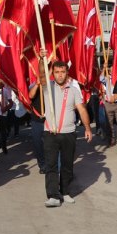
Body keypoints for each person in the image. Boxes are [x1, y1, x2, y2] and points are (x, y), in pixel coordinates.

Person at [43, 61, 93, 207]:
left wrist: (88, 128)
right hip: (50, 133)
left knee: (67, 165)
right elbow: (41, 75)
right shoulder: (47, 88)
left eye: (63, 72)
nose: (60, 75)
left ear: (67, 73)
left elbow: (82, 110)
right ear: (53, 73)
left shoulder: (73, 90)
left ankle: (65, 192)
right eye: (57, 72)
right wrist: (42, 59)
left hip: (69, 133)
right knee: (51, 165)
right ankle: (53, 195)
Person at [28, 62, 48, 174]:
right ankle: (42, 164)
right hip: (37, 120)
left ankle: (50, 163)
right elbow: (30, 95)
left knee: (49, 143)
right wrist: (37, 84)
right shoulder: (33, 84)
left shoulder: (51, 85)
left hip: (49, 120)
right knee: (38, 144)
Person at [0, 74, 13, 155]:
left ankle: (3, 146)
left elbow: (11, 103)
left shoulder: (5, 90)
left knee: (3, 131)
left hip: (3, 113)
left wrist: (6, 108)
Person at [101, 71, 117, 147]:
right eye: (111, 68)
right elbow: (100, 78)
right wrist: (104, 68)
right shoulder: (106, 78)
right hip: (108, 104)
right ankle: (111, 140)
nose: (113, 69)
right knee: (109, 124)